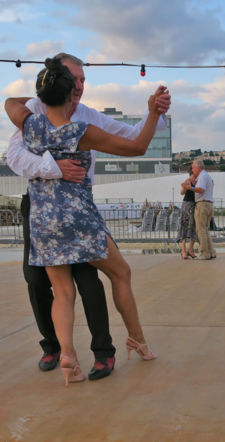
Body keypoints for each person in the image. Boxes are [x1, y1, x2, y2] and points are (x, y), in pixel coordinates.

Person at [6, 53, 171, 381]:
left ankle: (68, 357)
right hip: (79, 218)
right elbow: (137, 145)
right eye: (76, 81)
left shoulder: (29, 123)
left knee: (63, 292)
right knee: (120, 272)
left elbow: (12, 103)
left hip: (44, 219)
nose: (81, 87)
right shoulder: (81, 130)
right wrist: (153, 113)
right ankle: (137, 340)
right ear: (69, 93)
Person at [184, 159, 216, 260]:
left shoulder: (202, 176)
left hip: (202, 204)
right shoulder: (207, 175)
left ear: (198, 167)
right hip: (209, 204)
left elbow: (201, 189)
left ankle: (204, 253)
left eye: (193, 167)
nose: (192, 169)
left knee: (200, 230)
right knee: (205, 230)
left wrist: (190, 188)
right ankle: (211, 252)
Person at [176, 168, 197, 259]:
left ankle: (190, 250)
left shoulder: (198, 181)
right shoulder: (188, 181)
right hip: (187, 204)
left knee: (194, 228)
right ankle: (183, 251)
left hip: (195, 205)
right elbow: (182, 193)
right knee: (184, 227)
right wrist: (185, 187)